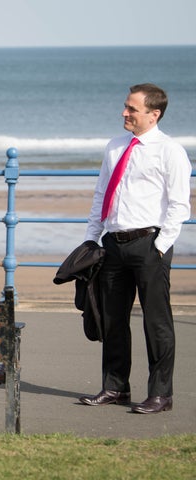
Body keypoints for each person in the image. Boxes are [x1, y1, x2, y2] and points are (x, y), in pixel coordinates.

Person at [79, 83, 192, 414]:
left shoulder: (169, 151)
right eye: (125, 106)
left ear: (154, 114)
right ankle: (115, 388)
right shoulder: (115, 147)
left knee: (156, 322)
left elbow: (179, 204)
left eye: (132, 109)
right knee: (112, 320)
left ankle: (161, 394)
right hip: (113, 243)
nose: (124, 112)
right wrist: (91, 237)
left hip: (149, 244)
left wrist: (159, 245)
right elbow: (102, 193)